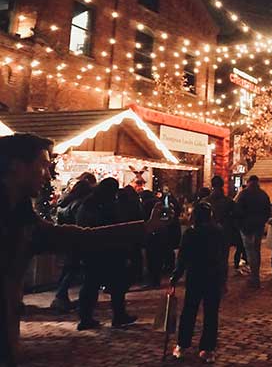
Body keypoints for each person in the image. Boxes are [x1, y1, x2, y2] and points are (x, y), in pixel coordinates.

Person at [0, 134, 170, 367]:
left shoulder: (23, 219)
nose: (48, 175)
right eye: (42, 166)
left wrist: (144, 228)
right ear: (16, 166)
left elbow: (83, 237)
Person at [75, 178, 139, 330]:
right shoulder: (103, 205)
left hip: (94, 251)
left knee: (92, 285)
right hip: (106, 250)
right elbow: (114, 227)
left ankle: (89, 317)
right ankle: (115, 315)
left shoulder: (90, 203)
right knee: (111, 285)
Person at [170, 202, 228, 363]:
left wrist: (176, 275)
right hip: (213, 276)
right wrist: (224, 279)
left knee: (189, 310)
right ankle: (207, 348)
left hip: (195, 275)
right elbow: (223, 258)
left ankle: (183, 344)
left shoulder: (191, 233)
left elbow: (182, 257)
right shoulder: (218, 232)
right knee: (211, 313)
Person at [49, 173, 96, 312]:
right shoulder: (78, 204)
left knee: (68, 269)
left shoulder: (64, 202)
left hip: (66, 239)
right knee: (72, 269)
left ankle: (61, 296)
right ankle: (60, 297)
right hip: (75, 239)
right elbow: (81, 222)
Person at [235, 175, 271, 288]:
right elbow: (267, 211)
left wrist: (240, 224)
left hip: (246, 227)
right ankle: (256, 275)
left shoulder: (243, 194)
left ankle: (254, 277)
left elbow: (237, 210)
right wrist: (262, 221)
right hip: (258, 226)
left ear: (249, 182)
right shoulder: (263, 194)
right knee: (257, 250)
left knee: (250, 251)